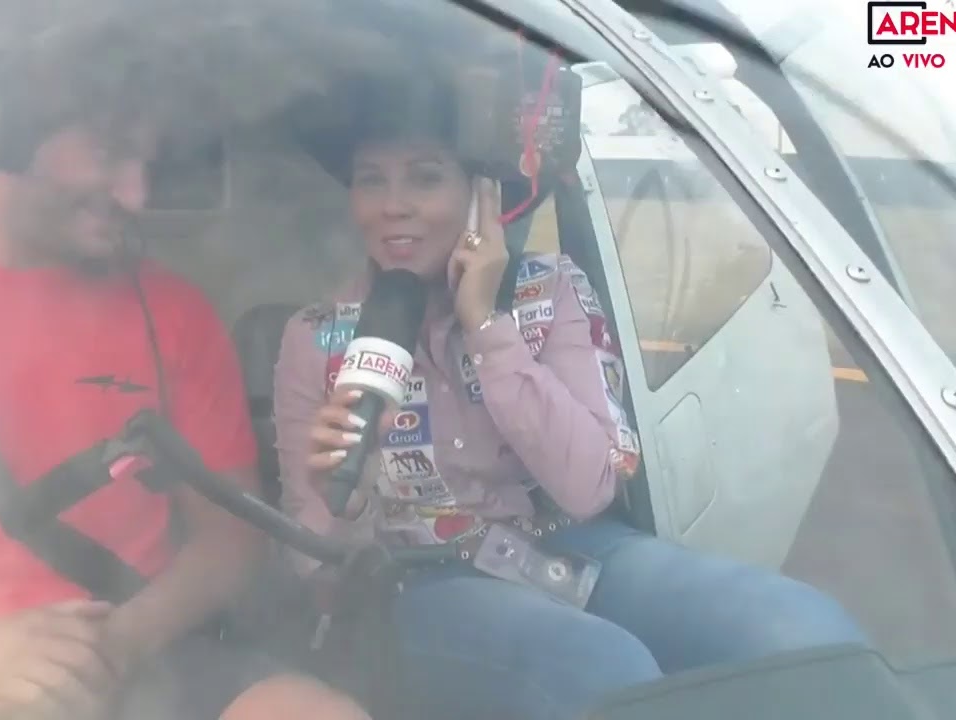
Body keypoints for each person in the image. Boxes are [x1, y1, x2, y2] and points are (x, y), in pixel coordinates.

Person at [0, 30, 368, 720]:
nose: (136, 193)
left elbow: (231, 538)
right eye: (110, 153)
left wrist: (118, 646)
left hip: (132, 665)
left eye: (149, 163)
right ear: (5, 129)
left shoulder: (174, 313)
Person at [272, 76, 871, 720]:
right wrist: (345, 493)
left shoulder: (548, 290)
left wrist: (486, 327)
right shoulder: (318, 337)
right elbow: (317, 569)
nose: (393, 206)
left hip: (572, 544)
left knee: (796, 625)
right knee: (601, 668)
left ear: (480, 195)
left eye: (424, 177)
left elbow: (589, 488)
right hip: (423, 577)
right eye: (371, 181)